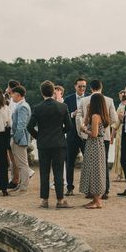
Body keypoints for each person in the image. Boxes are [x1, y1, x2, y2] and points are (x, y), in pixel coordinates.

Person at [27, 81, 73, 209]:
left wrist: (39, 136)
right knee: (58, 172)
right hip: (58, 143)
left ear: (42, 92)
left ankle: (45, 200)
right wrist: (59, 132)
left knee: (44, 173)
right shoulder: (62, 107)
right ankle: (60, 200)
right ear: (53, 91)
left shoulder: (38, 107)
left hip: (44, 144)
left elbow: (29, 127)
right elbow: (69, 126)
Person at [75, 80, 117, 199]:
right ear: (101, 87)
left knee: (89, 165)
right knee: (102, 164)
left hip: (91, 137)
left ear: (91, 88)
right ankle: (105, 191)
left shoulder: (84, 100)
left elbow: (79, 117)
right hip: (105, 137)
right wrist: (103, 127)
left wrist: (82, 130)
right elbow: (114, 119)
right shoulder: (109, 100)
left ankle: (90, 191)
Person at [79, 93, 111, 209]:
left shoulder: (96, 116)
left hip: (94, 145)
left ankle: (97, 201)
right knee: (95, 170)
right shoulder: (99, 115)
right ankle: (94, 199)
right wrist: (87, 112)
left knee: (94, 171)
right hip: (98, 145)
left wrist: (84, 130)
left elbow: (94, 134)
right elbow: (86, 122)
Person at [64, 77, 88, 195]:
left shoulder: (90, 98)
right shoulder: (68, 99)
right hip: (72, 134)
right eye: (80, 86)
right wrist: (72, 114)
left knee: (88, 161)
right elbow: (63, 116)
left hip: (86, 134)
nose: (82, 88)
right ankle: (69, 187)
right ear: (75, 86)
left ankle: (88, 188)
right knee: (69, 162)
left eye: (84, 86)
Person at [10, 86, 31, 193]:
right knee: (19, 163)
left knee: (22, 164)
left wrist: (16, 138)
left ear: (18, 95)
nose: (11, 96)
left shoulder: (22, 106)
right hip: (18, 138)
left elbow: (21, 125)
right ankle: (21, 185)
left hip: (20, 139)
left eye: (12, 94)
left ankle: (23, 187)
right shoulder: (21, 105)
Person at [6, 80, 22, 189]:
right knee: (13, 158)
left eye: (7, 87)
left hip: (11, 131)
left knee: (13, 158)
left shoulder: (13, 102)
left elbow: (10, 117)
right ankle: (14, 178)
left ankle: (16, 179)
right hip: (11, 131)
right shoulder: (14, 100)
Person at [111, 90, 126, 181]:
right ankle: (120, 173)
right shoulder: (120, 106)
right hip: (119, 131)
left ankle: (122, 174)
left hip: (122, 130)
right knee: (118, 151)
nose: (122, 97)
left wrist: (112, 135)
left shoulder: (124, 106)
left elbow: (116, 122)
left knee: (121, 152)